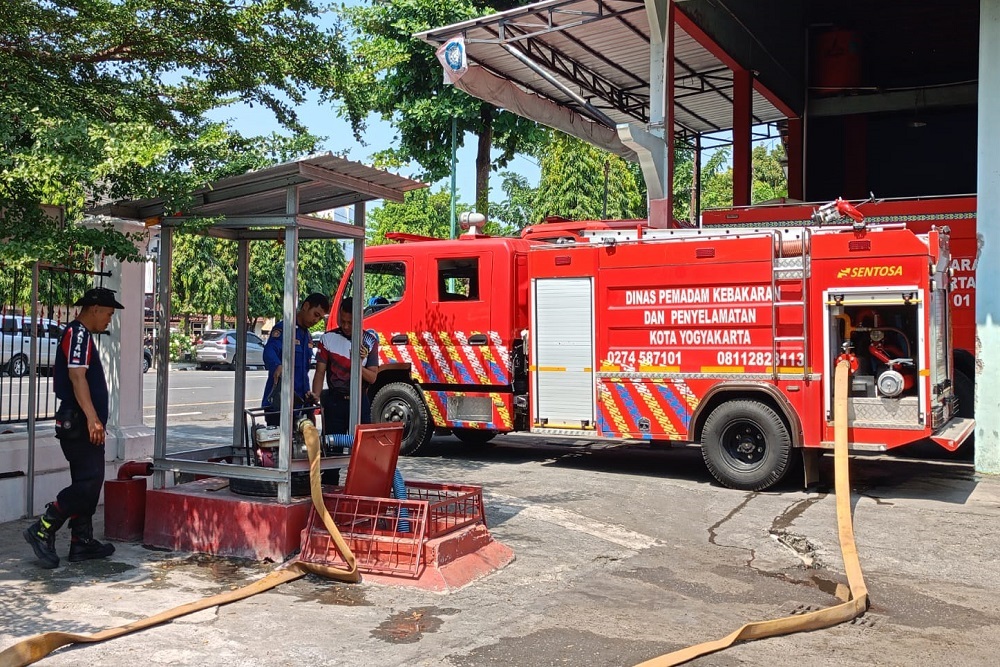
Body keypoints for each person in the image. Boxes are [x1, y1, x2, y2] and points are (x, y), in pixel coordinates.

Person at [23, 287, 124, 569]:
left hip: (81, 422)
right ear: (94, 309)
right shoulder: (77, 333)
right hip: (79, 423)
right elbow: (77, 377)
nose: (109, 320)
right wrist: (92, 418)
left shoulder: (83, 335)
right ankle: (43, 528)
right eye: (108, 313)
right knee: (89, 482)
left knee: (88, 481)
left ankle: (81, 541)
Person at [312, 297, 380, 447]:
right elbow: (319, 372)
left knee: (363, 451)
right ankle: (332, 471)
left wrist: (356, 363)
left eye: (350, 322)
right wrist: (315, 398)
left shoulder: (369, 342)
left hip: (360, 401)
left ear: (359, 320)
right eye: (342, 321)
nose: (346, 326)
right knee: (332, 450)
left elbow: (372, 377)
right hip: (335, 401)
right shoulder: (328, 338)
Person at [261, 293, 329, 425]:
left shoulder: (308, 337)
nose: (316, 321)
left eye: (320, 319)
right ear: (306, 306)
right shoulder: (285, 329)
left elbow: (303, 373)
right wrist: (277, 366)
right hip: (279, 403)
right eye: (315, 314)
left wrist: (310, 394)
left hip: (302, 403)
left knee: (310, 441)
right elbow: (269, 351)